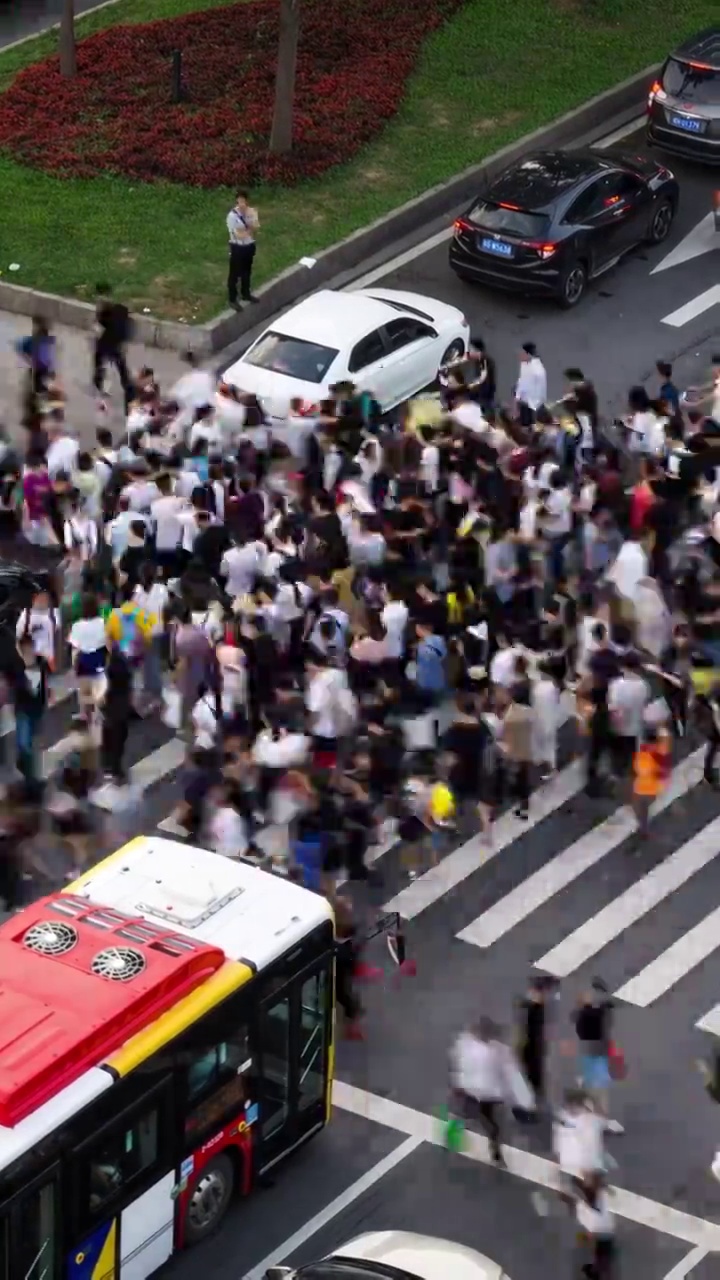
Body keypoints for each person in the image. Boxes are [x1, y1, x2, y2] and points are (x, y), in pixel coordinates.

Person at [93, 283, 133, 412]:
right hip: (114, 345)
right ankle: (127, 390)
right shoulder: (120, 311)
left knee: (104, 368)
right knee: (120, 369)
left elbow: (99, 328)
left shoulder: (106, 312)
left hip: (107, 346)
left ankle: (103, 391)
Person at [226, 190, 259, 311]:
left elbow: (256, 226)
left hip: (249, 245)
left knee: (247, 271)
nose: (242, 203)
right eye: (239, 201)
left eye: (244, 201)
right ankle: (232, 298)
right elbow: (239, 235)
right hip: (237, 246)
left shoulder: (251, 212)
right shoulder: (232, 216)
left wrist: (249, 229)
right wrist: (249, 230)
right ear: (237, 201)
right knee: (234, 273)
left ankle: (246, 293)